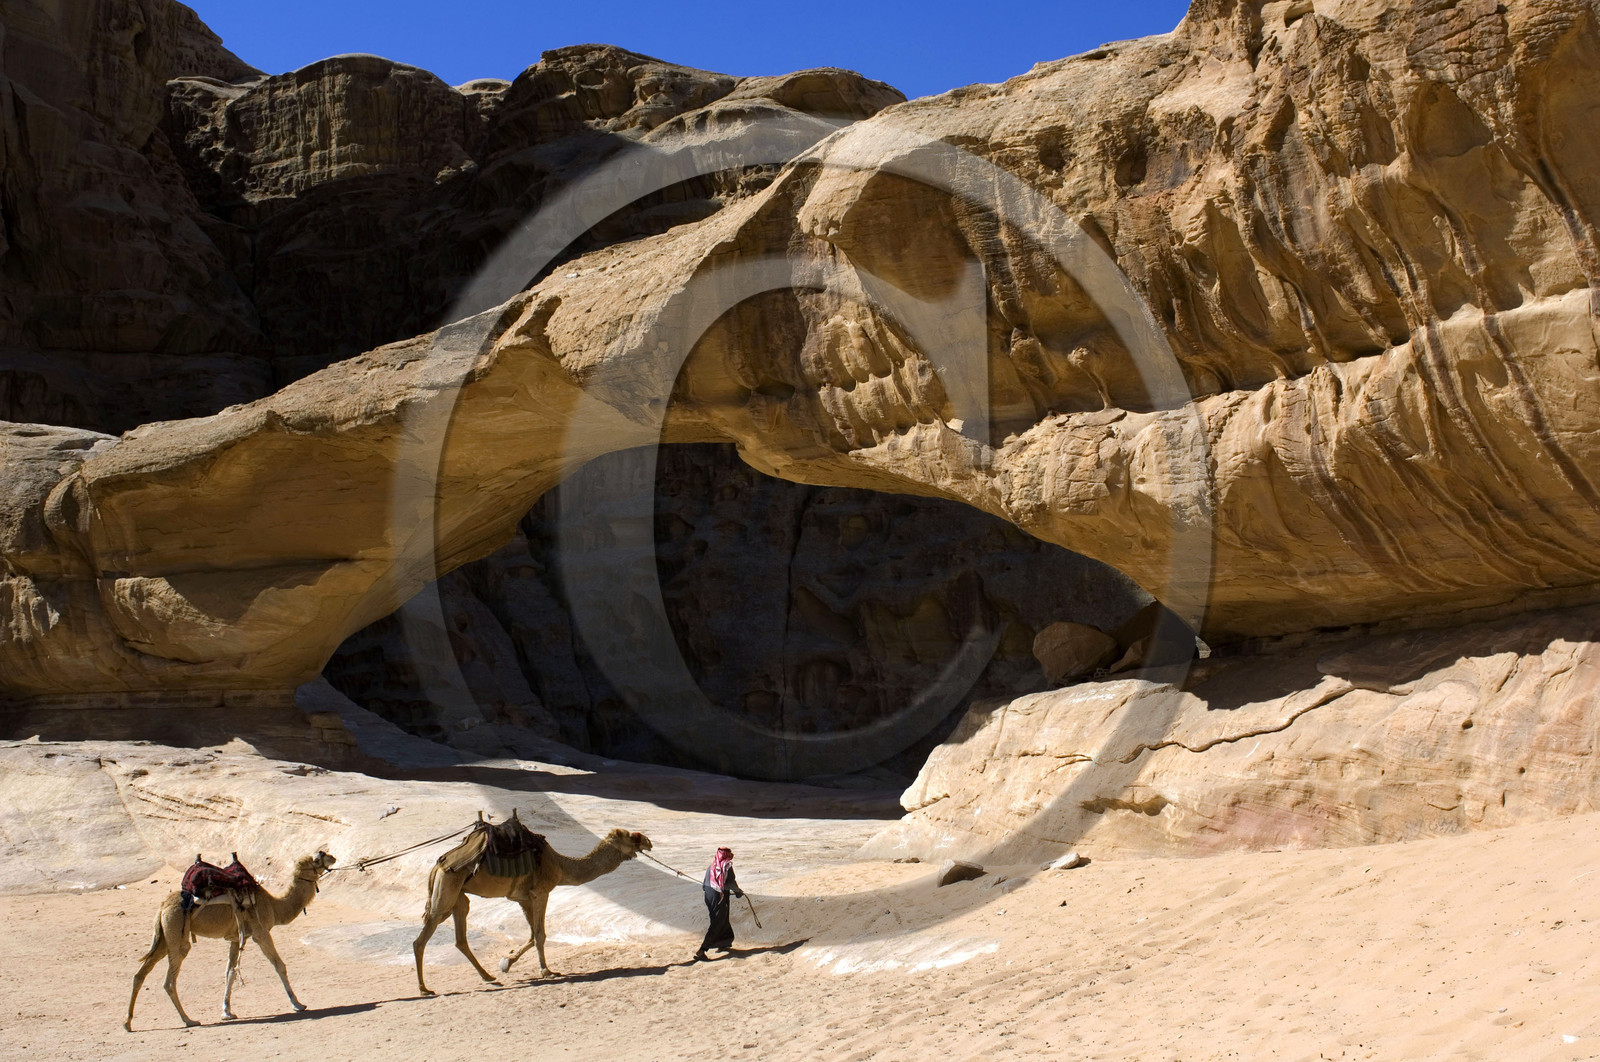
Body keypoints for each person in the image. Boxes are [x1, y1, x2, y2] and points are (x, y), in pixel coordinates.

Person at [694, 846, 743, 961]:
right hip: (718, 897)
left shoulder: (711, 866)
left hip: (709, 896)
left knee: (722, 918)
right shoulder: (727, 866)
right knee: (718, 921)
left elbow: (704, 885)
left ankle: (724, 943)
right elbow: (731, 883)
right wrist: (738, 893)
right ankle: (702, 950)